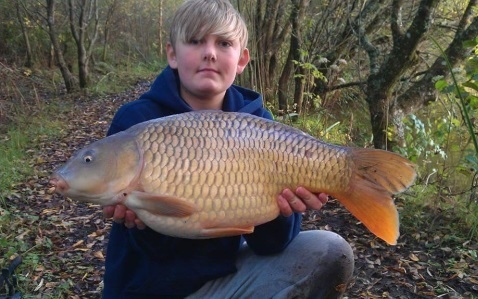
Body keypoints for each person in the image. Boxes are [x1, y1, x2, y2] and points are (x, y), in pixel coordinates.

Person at [102, 0, 354, 298]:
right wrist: (144, 224)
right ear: (172, 53)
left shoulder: (260, 125)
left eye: (223, 43)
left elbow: (272, 246)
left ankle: (354, 175)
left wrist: (283, 212)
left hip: (228, 281)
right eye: (196, 41)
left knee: (329, 249)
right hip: (149, 288)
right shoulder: (137, 123)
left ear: (242, 60)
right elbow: (148, 251)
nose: (209, 52)